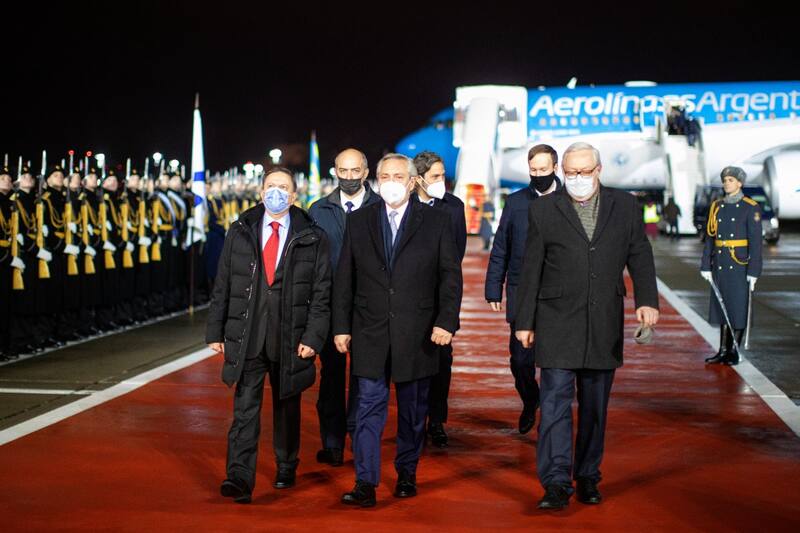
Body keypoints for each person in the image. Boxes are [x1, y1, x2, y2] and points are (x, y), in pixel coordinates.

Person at [515, 142, 659, 510]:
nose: (577, 179)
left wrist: (646, 300)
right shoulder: (544, 209)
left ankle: (588, 476)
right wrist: (524, 321)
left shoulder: (625, 206)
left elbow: (639, 254)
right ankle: (556, 481)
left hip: (602, 323)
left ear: (599, 170)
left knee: (595, 408)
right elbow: (531, 267)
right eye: (570, 173)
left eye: (584, 171)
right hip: (556, 320)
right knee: (555, 404)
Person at [333, 153, 462, 507]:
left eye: (396, 176)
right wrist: (341, 327)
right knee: (367, 409)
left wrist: (445, 321)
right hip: (369, 331)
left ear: (411, 182)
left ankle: (407, 473)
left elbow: (450, 276)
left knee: (412, 411)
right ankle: (365, 482)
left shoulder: (436, 221)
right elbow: (346, 277)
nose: (390, 181)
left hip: (418, 333)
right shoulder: (359, 221)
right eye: (383, 175)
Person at [206, 167, 331, 504]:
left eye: (283, 187)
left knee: (287, 404)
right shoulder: (240, 230)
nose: (276, 192)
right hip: (248, 334)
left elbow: (321, 294)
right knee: (245, 407)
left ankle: (286, 463)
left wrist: (313, 337)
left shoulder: (312, 236)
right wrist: (216, 330)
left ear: (294, 195)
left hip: (290, 336)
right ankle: (239, 476)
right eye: (270, 186)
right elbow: (224, 283)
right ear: (261, 192)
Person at [308, 148, 381, 467]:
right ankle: (333, 442)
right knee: (332, 376)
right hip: (328, 305)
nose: (349, 177)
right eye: (343, 171)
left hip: (370, 306)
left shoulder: (381, 207)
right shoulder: (318, 210)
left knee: (366, 376)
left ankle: (359, 435)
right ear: (334, 172)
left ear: (366, 173)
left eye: (355, 171)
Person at [485, 144, 561, 435]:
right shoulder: (516, 202)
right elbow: (501, 244)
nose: (538, 174)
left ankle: (553, 419)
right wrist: (494, 286)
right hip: (521, 292)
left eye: (543, 169)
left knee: (556, 363)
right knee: (520, 360)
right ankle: (531, 399)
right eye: (533, 170)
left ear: (554, 167)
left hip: (558, 294)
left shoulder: (569, 199)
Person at [412, 150, 466, 448]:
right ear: (418, 179)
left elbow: (455, 256)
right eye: (435, 176)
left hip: (440, 297)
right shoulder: (404, 205)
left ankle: (437, 420)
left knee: (442, 361)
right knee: (412, 361)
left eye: (442, 175)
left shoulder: (453, 208)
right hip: (409, 297)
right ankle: (414, 420)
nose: (440, 181)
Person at [700, 166, 762, 366]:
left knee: (738, 309)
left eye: (731, 180)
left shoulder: (750, 206)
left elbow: (756, 242)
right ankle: (723, 350)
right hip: (720, 264)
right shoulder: (717, 206)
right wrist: (705, 265)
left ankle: (734, 351)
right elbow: (710, 238)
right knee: (722, 308)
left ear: (740, 183)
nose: (727, 183)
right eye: (725, 180)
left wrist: (754, 271)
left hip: (739, 265)